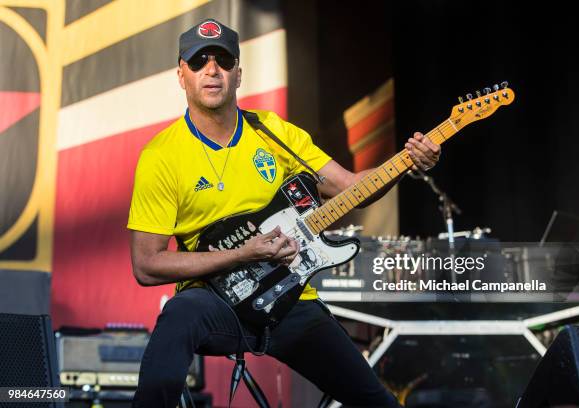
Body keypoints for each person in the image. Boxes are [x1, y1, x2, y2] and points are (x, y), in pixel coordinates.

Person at [128, 19, 441, 408]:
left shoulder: (273, 132)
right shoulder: (161, 156)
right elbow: (146, 265)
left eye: (223, 60)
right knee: (179, 316)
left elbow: (350, 189)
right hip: (216, 301)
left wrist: (407, 162)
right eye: (198, 61)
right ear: (181, 75)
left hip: (292, 300)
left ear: (238, 74)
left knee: (376, 400)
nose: (212, 70)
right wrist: (243, 254)